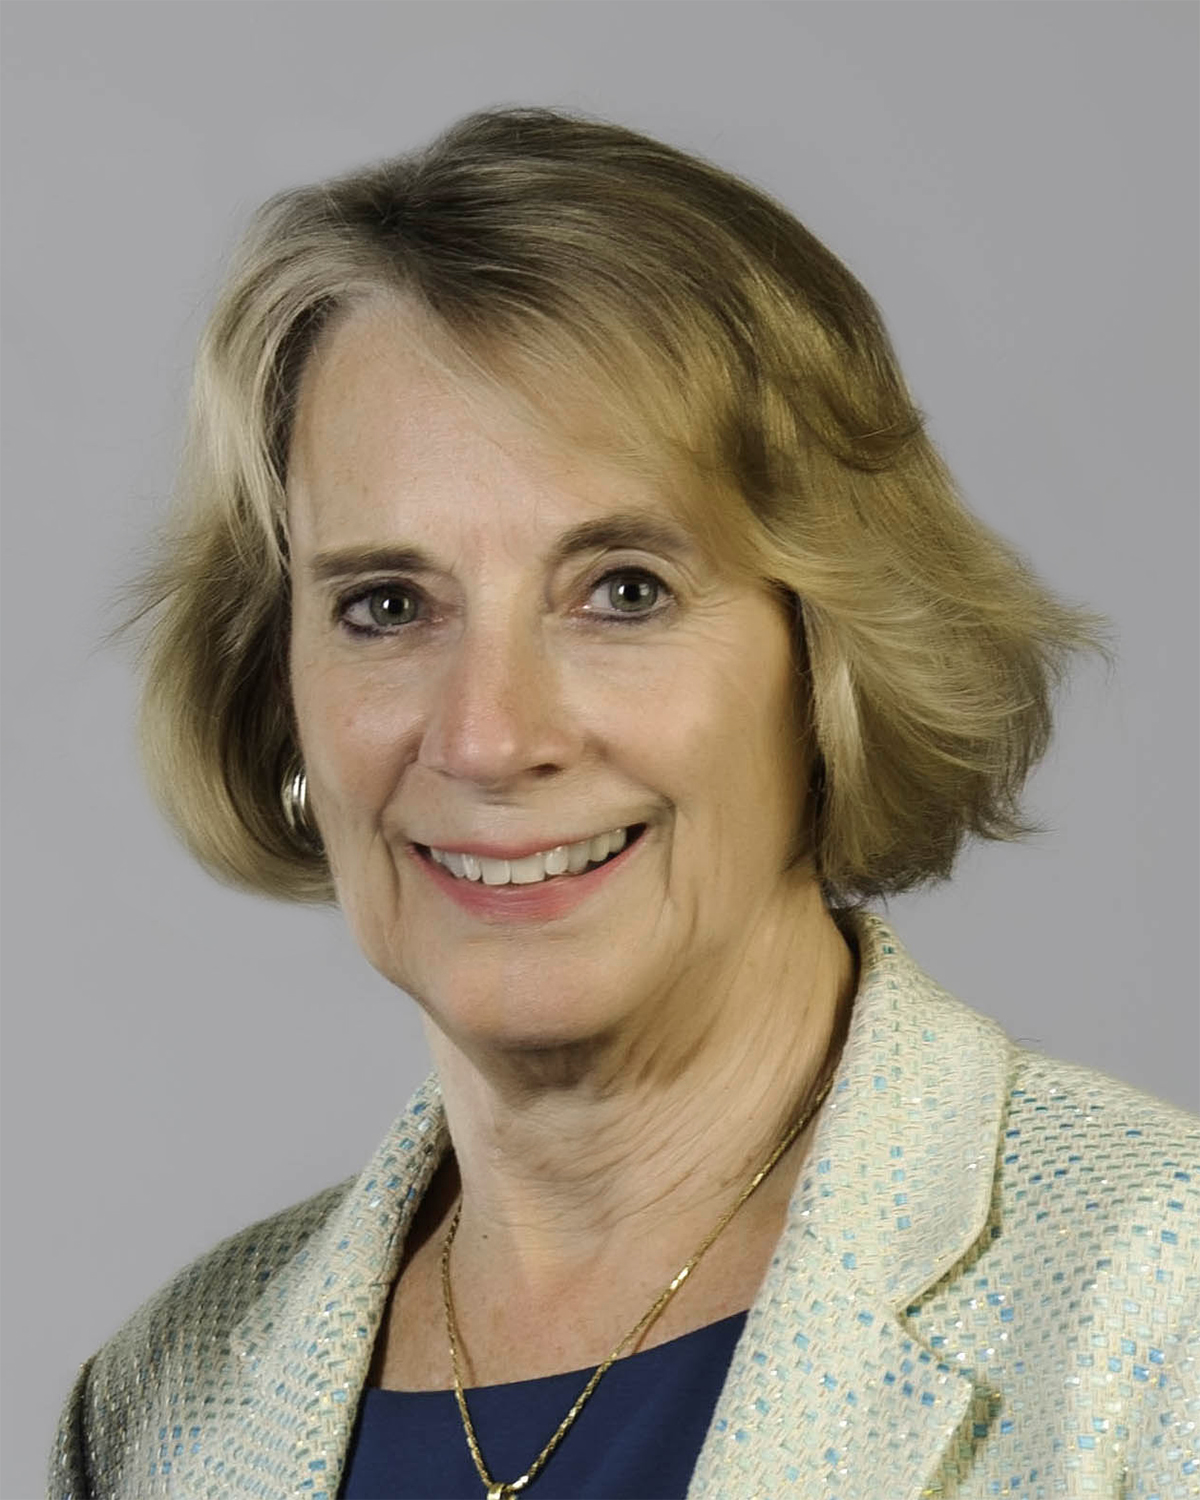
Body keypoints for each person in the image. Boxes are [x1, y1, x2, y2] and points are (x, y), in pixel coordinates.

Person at [50, 106, 1198, 1500]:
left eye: (624, 592)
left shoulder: (1159, 1308)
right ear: (277, 683)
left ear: (828, 660)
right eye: (389, 605)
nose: (490, 737)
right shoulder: (154, 1415)